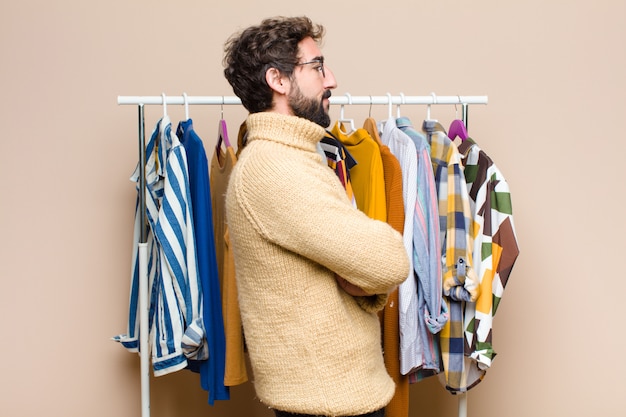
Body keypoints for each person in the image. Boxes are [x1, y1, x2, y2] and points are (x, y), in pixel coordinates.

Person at [222, 16, 410, 417]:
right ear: (279, 80)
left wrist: (366, 282)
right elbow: (390, 260)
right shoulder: (275, 169)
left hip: (334, 396)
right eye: (318, 66)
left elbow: (370, 267)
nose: (332, 80)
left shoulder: (297, 159)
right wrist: (370, 279)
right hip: (326, 403)